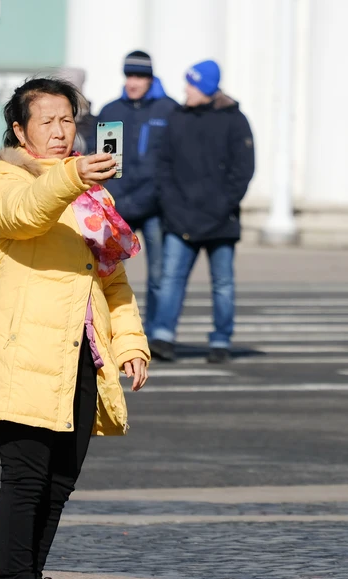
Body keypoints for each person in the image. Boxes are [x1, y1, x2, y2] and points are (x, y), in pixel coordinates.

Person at [0, 77, 150, 579]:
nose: (59, 131)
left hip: (81, 352)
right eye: (45, 121)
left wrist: (130, 342)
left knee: (59, 481)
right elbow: (21, 215)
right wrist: (70, 177)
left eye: (67, 120)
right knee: (24, 478)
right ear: (20, 129)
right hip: (26, 350)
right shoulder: (5, 175)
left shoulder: (93, 193)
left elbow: (111, 277)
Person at [149, 60, 254, 364]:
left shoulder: (235, 121)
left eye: (192, 84)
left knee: (222, 283)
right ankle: (162, 336)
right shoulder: (177, 118)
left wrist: (220, 208)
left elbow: (242, 171)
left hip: (221, 221)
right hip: (180, 219)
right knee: (171, 279)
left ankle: (221, 339)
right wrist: (172, 207)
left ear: (206, 87)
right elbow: (163, 166)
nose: (186, 90)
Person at [98, 51, 178, 330]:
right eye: (129, 75)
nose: (133, 82)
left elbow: (174, 161)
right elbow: (105, 162)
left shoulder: (169, 110)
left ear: (150, 78)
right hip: (119, 207)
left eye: (139, 76)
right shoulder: (111, 111)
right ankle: (113, 331)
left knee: (159, 274)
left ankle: (159, 332)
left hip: (156, 207)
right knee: (113, 273)